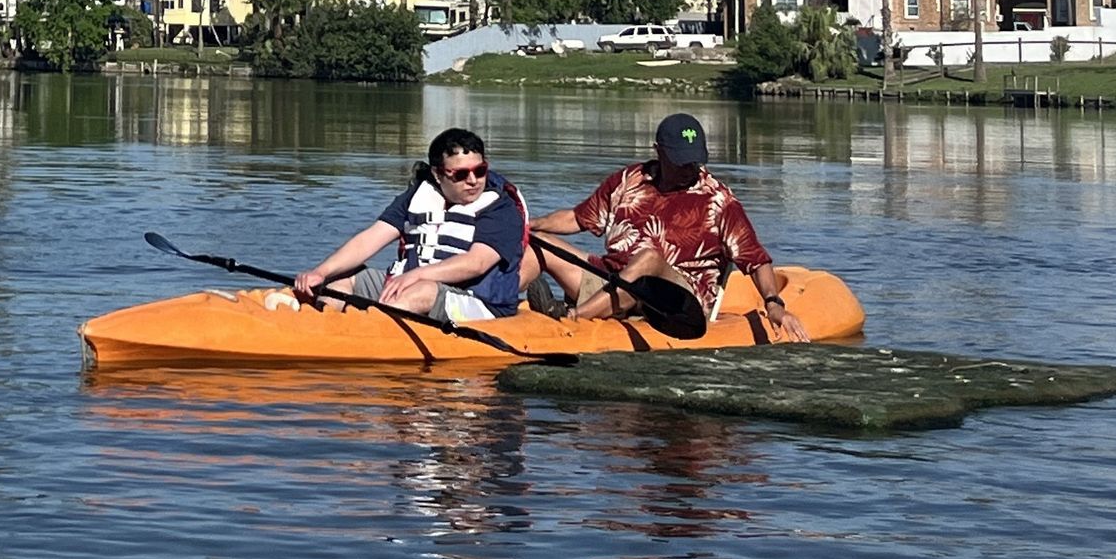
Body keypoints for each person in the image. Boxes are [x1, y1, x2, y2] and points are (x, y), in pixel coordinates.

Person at [524, 112, 810, 342]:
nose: (690, 169)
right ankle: (494, 310)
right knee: (537, 242)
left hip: (676, 304)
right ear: (659, 151)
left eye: (694, 160)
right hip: (614, 280)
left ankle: (571, 319)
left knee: (649, 259)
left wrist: (773, 304)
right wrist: (529, 224)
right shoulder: (629, 179)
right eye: (681, 161)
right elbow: (578, 218)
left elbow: (756, 259)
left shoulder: (719, 201)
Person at [292, 128, 526, 321]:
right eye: (460, 174)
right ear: (437, 174)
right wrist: (320, 272)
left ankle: (371, 335)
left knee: (422, 291)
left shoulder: (501, 209)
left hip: (477, 302)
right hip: (410, 282)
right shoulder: (418, 196)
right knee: (340, 279)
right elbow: (371, 239)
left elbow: (475, 263)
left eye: (480, 170)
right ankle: (321, 325)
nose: (473, 180)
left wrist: (416, 276)